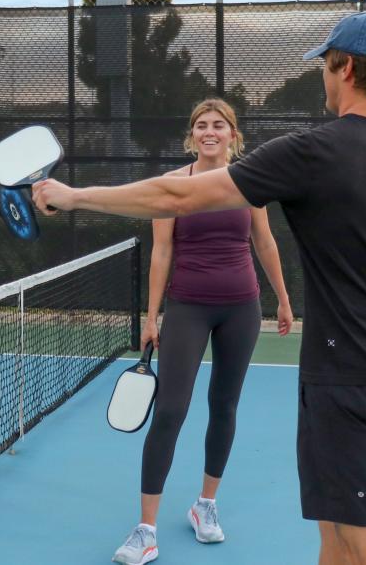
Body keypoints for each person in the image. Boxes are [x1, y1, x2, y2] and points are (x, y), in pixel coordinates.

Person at [33, 12, 366, 565]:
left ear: (346, 68)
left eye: (326, 67)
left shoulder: (309, 152)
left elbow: (177, 197)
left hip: (350, 379)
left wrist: (74, 196)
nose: (323, 78)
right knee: (336, 532)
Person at [113, 99, 293, 565]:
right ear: (192, 136)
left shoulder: (249, 182)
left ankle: (205, 504)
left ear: (233, 134)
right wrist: (151, 317)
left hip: (242, 308)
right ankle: (145, 530)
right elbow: (160, 253)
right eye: (201, 126)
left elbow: (264, 240)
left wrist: (283, 298)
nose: (209, 131)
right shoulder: (173, 186)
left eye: (218, 125)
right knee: (170, 411)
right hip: (188, 307)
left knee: (224, 405)